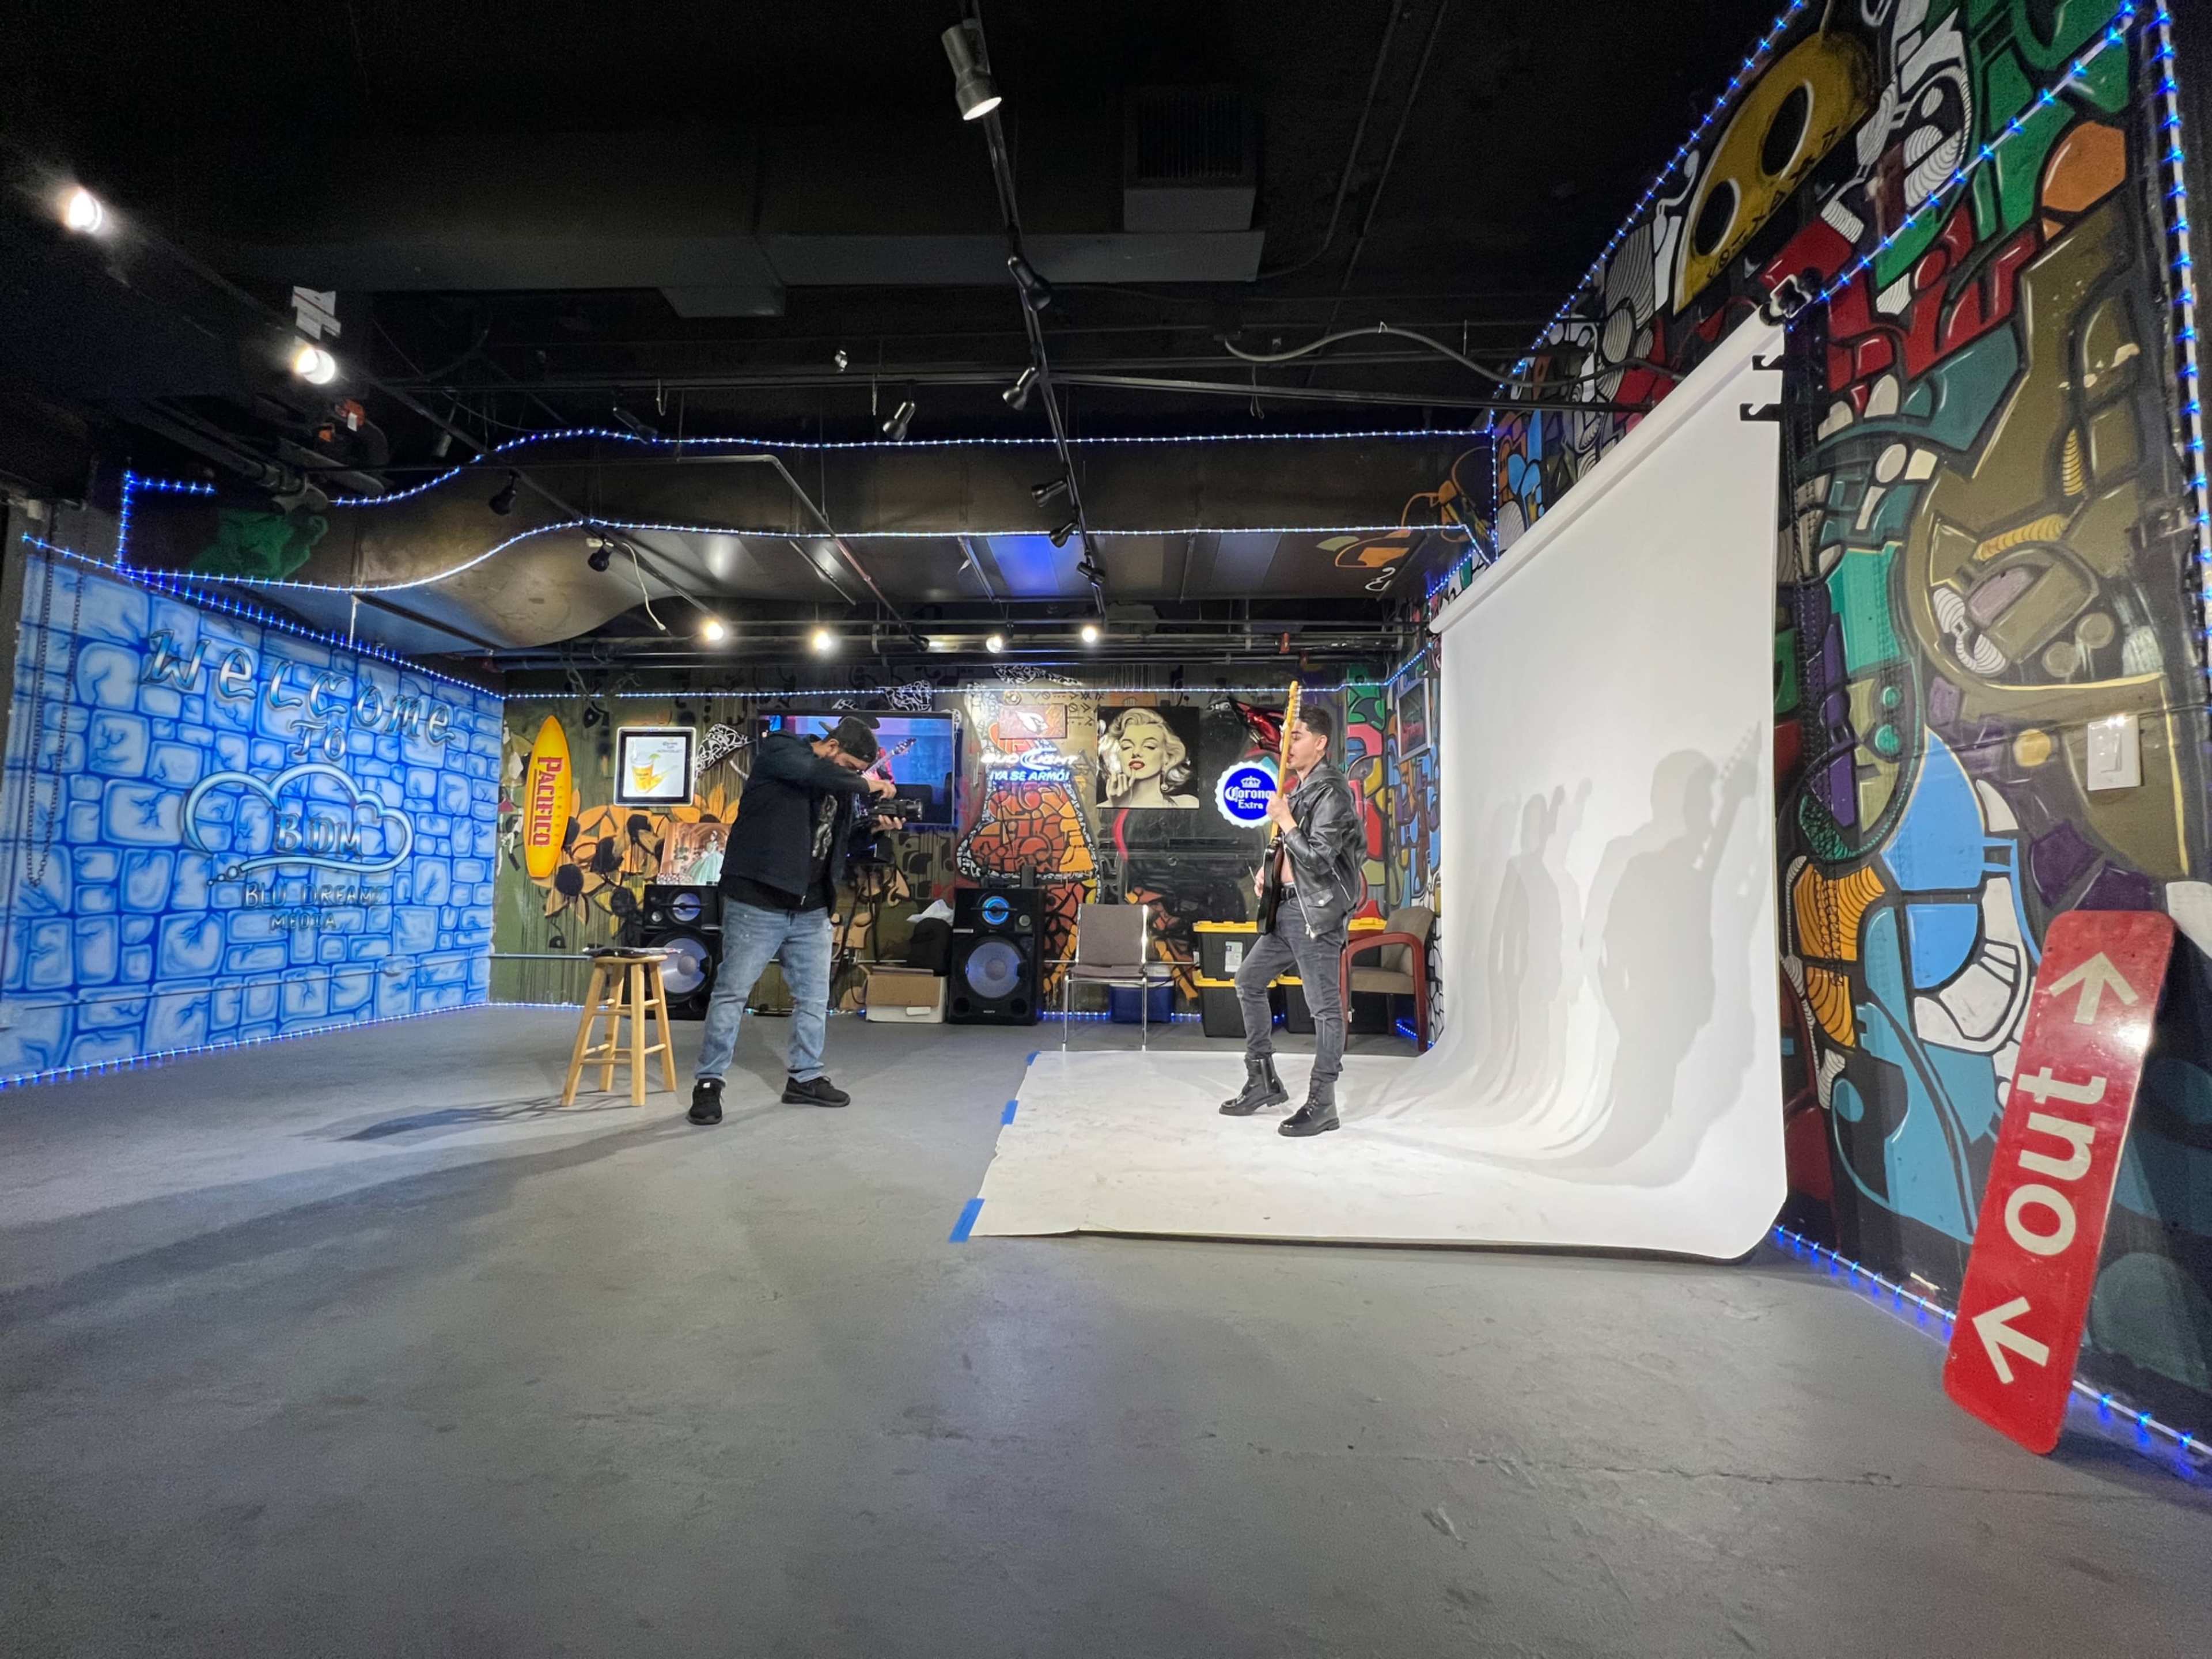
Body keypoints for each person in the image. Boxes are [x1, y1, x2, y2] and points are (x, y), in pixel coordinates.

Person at [688, 715, 898, 1123]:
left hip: (811, 908)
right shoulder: (782, 750)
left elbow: (836, 841)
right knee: (732, 994)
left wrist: (874, 829)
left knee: (815, 999)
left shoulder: (837, 786)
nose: (852, 777)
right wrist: (869, 784)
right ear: (832, 748)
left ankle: (805, 1078)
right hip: (757, 902)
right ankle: (709, 1083)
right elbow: (813, 772)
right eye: (850, 767)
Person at [1219, 705, 1364, 1137]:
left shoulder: (1332, 792)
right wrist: (1272, 870)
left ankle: (1323, 1103)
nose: (1287, 744)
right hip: (1285, 910)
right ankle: (1262, 1080)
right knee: (1248, 981)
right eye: (1285, 736)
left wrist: (1284, 819)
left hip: (1314, 914)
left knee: (1325, 1009)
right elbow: (1296, 856)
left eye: (1296, 736)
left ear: (1320, 743)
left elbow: (1319, 859)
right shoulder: (1301, 790)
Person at [1099, 706, 1200, 809]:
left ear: (1169, 758)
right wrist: (1119, 806)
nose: (1136, 752)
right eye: (1127, 747)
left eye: (1149, 746)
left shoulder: (1189, 804)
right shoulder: (1102, 807)